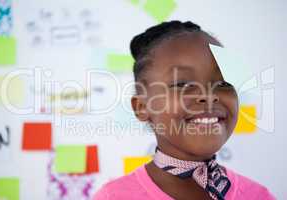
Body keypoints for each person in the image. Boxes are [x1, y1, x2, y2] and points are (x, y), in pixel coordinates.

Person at [93, 20, 275, 200]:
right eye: (182, 83)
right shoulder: (114, 197)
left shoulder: (258, 195)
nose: (209, 95)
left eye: (224, 83)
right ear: (142, 107)